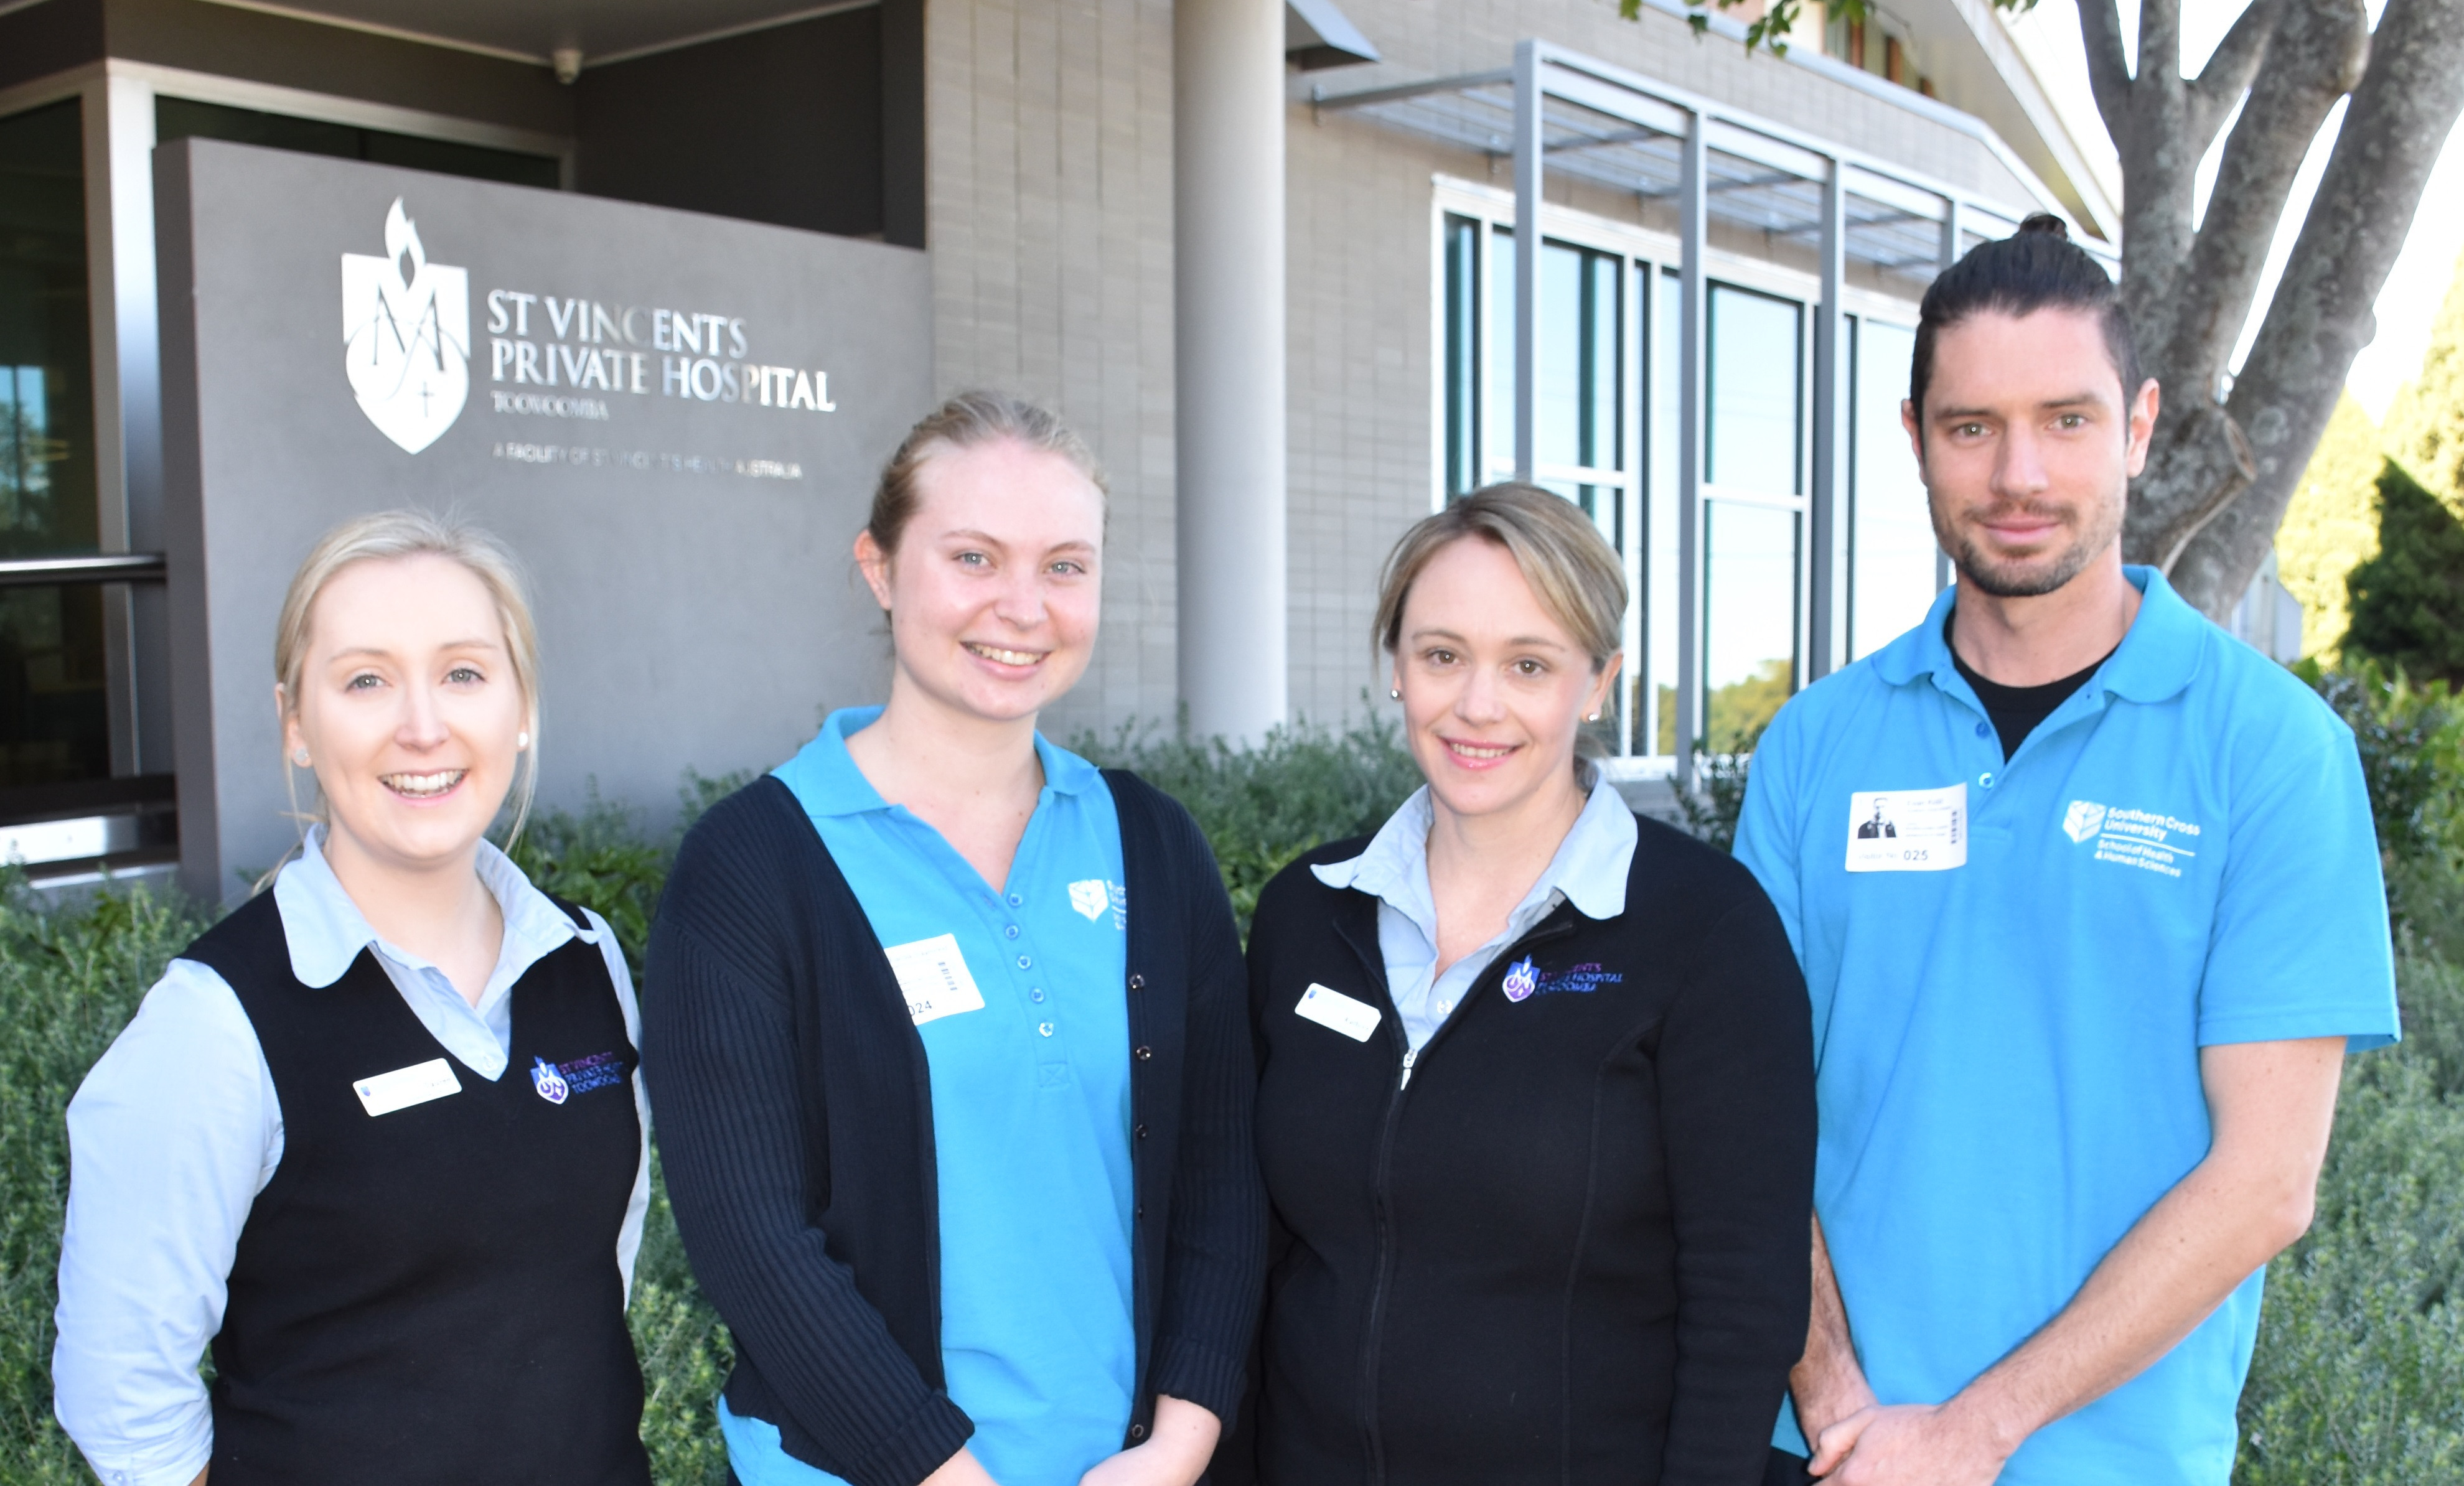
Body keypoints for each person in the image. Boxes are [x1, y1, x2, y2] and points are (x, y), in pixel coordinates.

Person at [1735, 215, 2400, 1486]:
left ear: (2140, 426)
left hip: (2113, 1459)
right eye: (1971, 425)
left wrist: (1971, 1430)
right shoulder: (1816, 746)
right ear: (1916, 437)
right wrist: (1836, 1400)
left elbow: (2266, 1181)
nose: (2018, 472)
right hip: (1827, 1451)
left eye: (2068, 419)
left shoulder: (2270, 752)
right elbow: (1740, 1113)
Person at [643, 392, 1263, 1486]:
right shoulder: (751, 868)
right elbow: (751, 1234)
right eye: (974, 556)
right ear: (880, 568)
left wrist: (1181, 1440)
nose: (1022, 606)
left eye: (1065, 565)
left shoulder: (1154, 848)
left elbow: (1223, 1174)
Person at [1234, 482, 1816, 1486]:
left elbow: (1746, 1306)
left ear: (1599, 682)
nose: (1478, 704)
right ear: (1398, 668)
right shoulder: (1306, 916)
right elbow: (1256, 1253)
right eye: (1443, 654)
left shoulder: (1705, 932)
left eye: (1529, 664)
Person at [54, 512, 652, 1486]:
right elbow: (120, 1397)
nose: (424, 725)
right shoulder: (216, 1021)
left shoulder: (588, 961)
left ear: (522, 706)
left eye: (464, 672)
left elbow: (594, 1276)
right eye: (366, 679)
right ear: (296, 720)